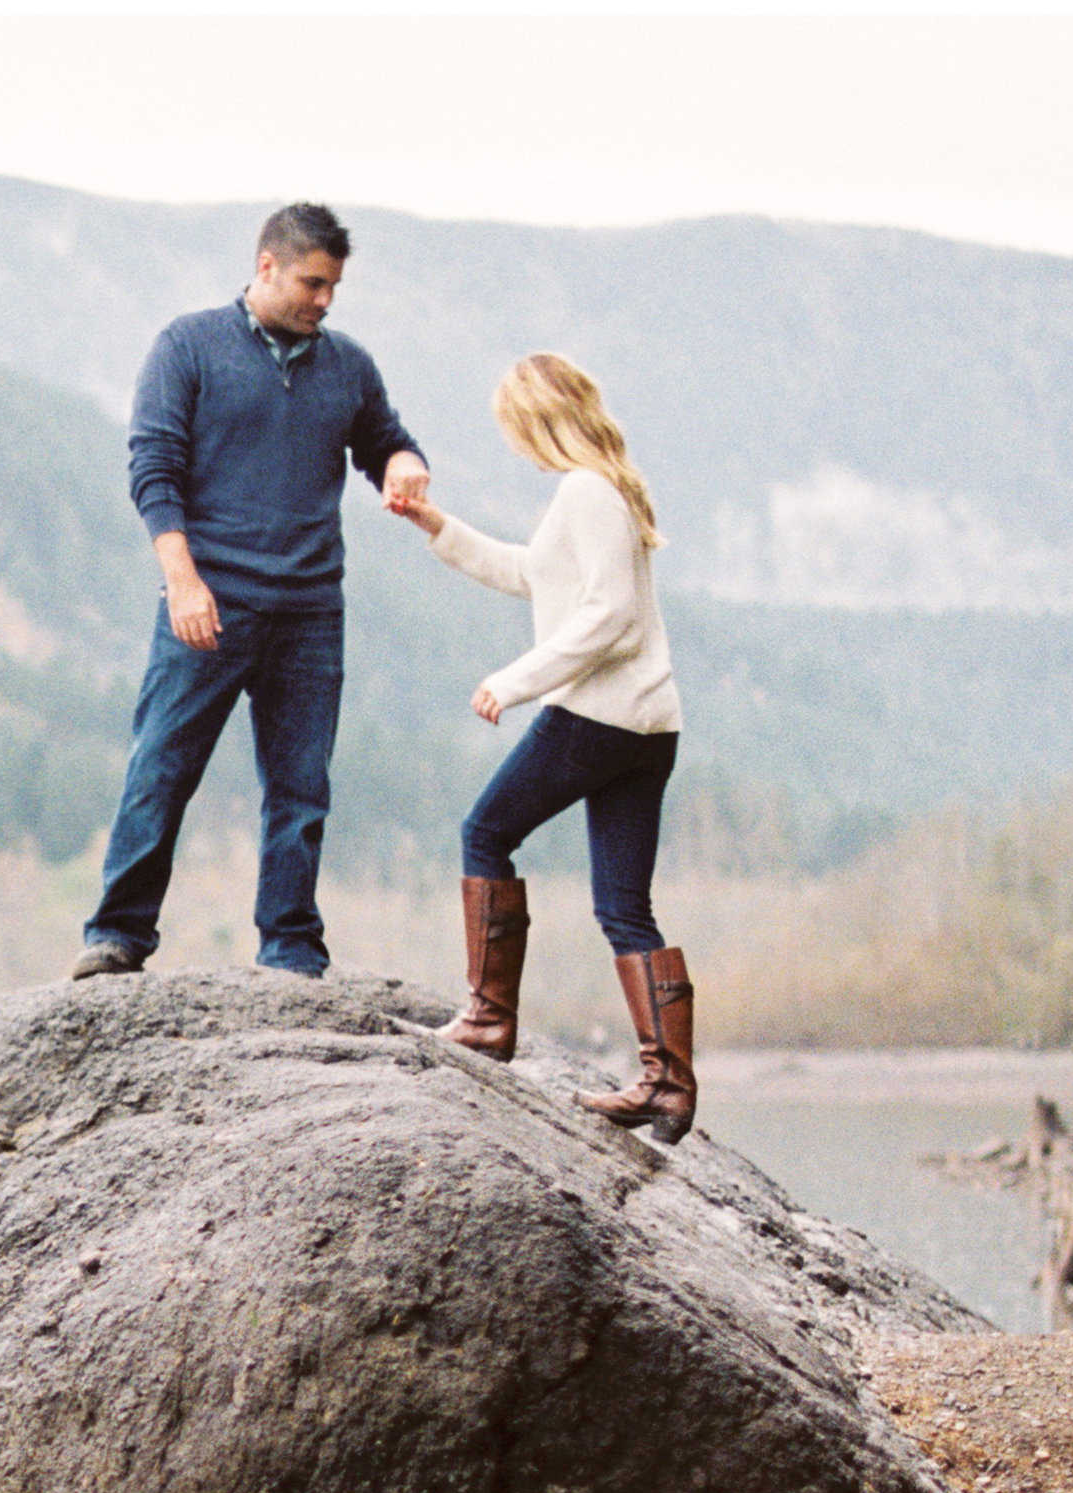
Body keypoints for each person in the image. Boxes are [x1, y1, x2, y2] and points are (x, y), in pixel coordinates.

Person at [71, 203, 430, 982]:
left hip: (309, 611)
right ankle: (117, 935)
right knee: (160, 769)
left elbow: (383, 441)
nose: (324, 300)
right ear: (266, 266)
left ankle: (290, 950)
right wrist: (183, 582)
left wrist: (402, 464)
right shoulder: (188, 346)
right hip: (208, 600)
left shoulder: (348, 366)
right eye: (312, 282)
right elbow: (152, 468)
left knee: (301, 790)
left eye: (333, 286)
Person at [387, 352, 697, 1142]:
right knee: (623, 905)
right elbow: (531, 573)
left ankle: (488, 1021)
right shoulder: (605, 489)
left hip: (594, 717)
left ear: (535, 419)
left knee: (485, 833)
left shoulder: (585, 491)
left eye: (513, 429)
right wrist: (435, 526)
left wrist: (515, 679)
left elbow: (609, 615)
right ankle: (667, 1084)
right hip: (648, 725)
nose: (514, 446)